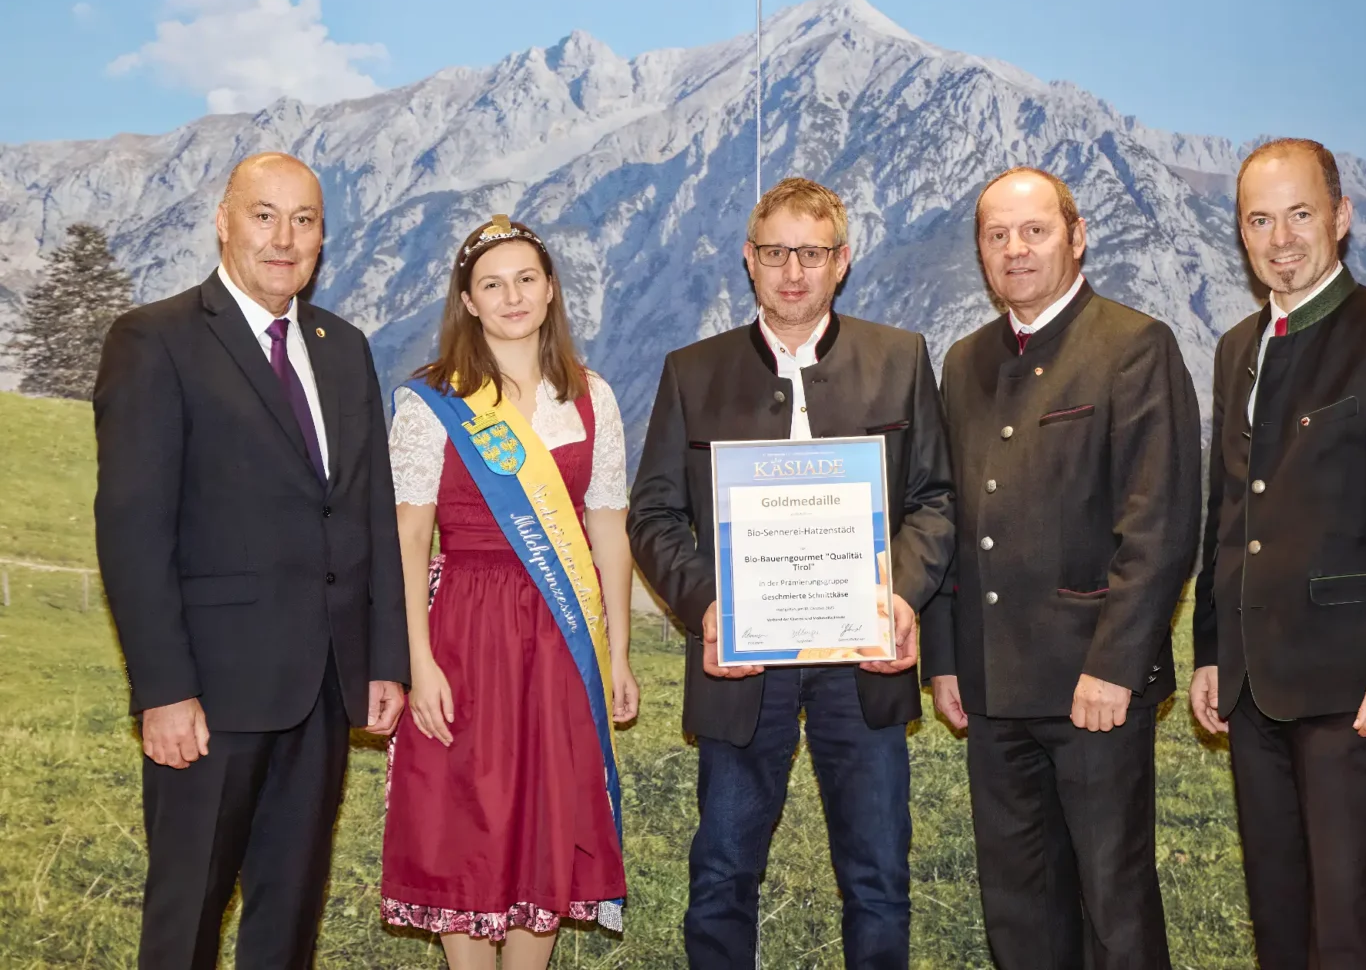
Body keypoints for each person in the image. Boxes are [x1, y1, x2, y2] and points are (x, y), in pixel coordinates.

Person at [627, 176, 954, 969]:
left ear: (842, 261)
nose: (793, 272)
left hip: (862, 663)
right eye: (776, 253)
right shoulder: (691, 371)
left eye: (812, 253)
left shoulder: (900, 358)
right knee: (721, 876)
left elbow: (934, 500)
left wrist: (900, 596)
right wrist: (710, 606)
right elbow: (654, 515)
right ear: (749, 259)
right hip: (743, 664)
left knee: (877, 880)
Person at [93, 152, 410, 969]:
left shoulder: (344, 348)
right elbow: (133, 528)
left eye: (303, 220)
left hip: (324, 691)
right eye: (264, 215)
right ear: (223, 221)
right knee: (185, 918)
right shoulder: (154, 340)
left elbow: (367, 507)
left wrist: (385, 659)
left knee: (288, 917)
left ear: (323, 238)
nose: (284, 238)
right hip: (211, 697)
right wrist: (164, 689)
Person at [1190, 138, 1366, 969]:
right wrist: (1209, 652)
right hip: (1250, 686)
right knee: (1278, 918)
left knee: (1348, 924)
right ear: (1241, 233)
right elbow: (1228, 512)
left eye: (1300, 214)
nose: (1280, 239)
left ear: (1341, 219)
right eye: (1260, 220)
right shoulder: (1237, 346)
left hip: (1355, 687)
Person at [925, 167, 1201, 969]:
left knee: (1113, 906)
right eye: (997, 235)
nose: (1016, 250)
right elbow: (946, 517)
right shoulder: (964, 361)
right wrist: (944, 659)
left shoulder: (1134, 345)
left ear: (1076, 237)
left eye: (1035, 231)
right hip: (991, 686)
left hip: (1094, 689)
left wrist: (1115, 667)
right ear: (980, 251)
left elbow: (1159, 526)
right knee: (1016, 909)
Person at [379, 215, 637, 970]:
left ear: (551, 289)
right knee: (464, 809)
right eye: (492, 284)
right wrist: (415, 661)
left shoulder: (593, 398)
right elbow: (408, 535)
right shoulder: (433, 403)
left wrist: (618, 653)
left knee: (546, 807)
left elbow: (610, 531)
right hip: (463, 626)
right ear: (468, 301)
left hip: (562, 635)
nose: (512, 296)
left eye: (526, 279)